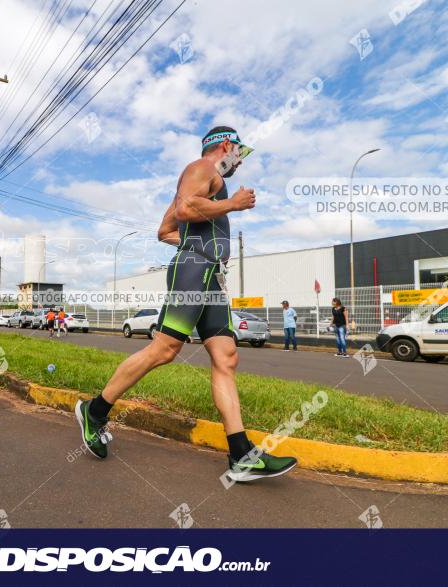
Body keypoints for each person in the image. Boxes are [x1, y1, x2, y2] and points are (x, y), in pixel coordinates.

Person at [74, 126, 296, 483]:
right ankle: (95, 411)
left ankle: (240, 455)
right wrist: (232, 205)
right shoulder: (201, 169)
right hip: (193, 272)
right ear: (226, 146)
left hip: (211, 275)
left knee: (226, 356)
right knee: (164, 350)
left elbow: (166, 229)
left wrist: (202, 243)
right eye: (239, 153)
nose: (240, 161)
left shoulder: (204, 180)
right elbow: (186, 207)